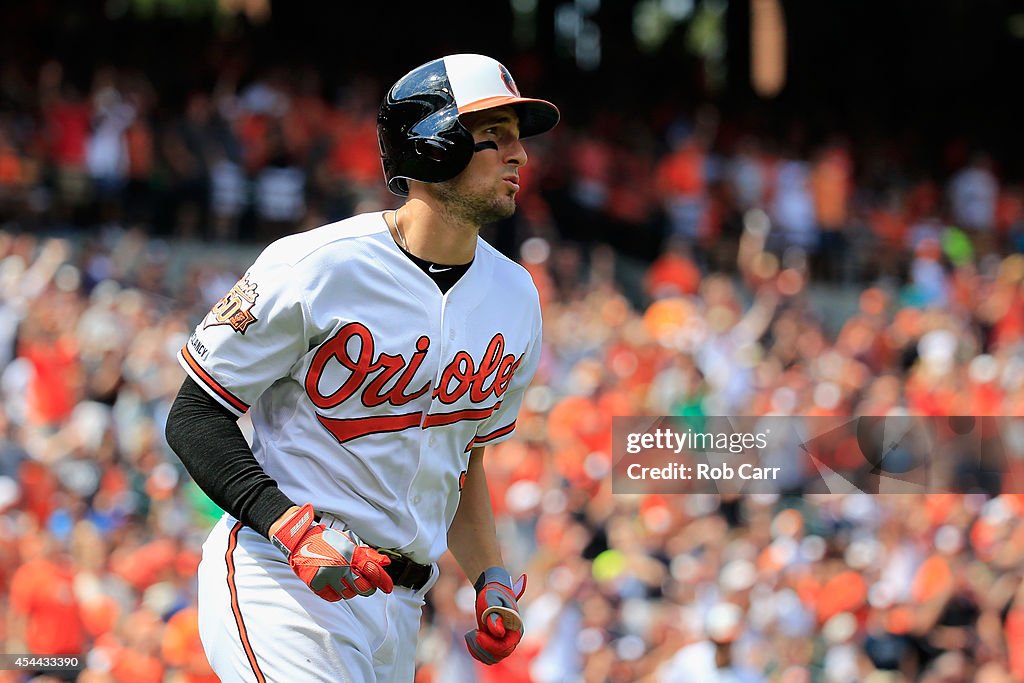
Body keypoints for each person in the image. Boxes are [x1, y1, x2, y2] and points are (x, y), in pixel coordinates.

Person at [164, 53, 558, 682]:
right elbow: (194, 415)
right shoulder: (317, 265)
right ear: (433, 145)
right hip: (283, 581)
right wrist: (287, 527)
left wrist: (490, 578)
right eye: (495, 138)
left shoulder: (516, 298)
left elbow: (463, 460)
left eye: (518, 140)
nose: (521, 156)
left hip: (401, 609)